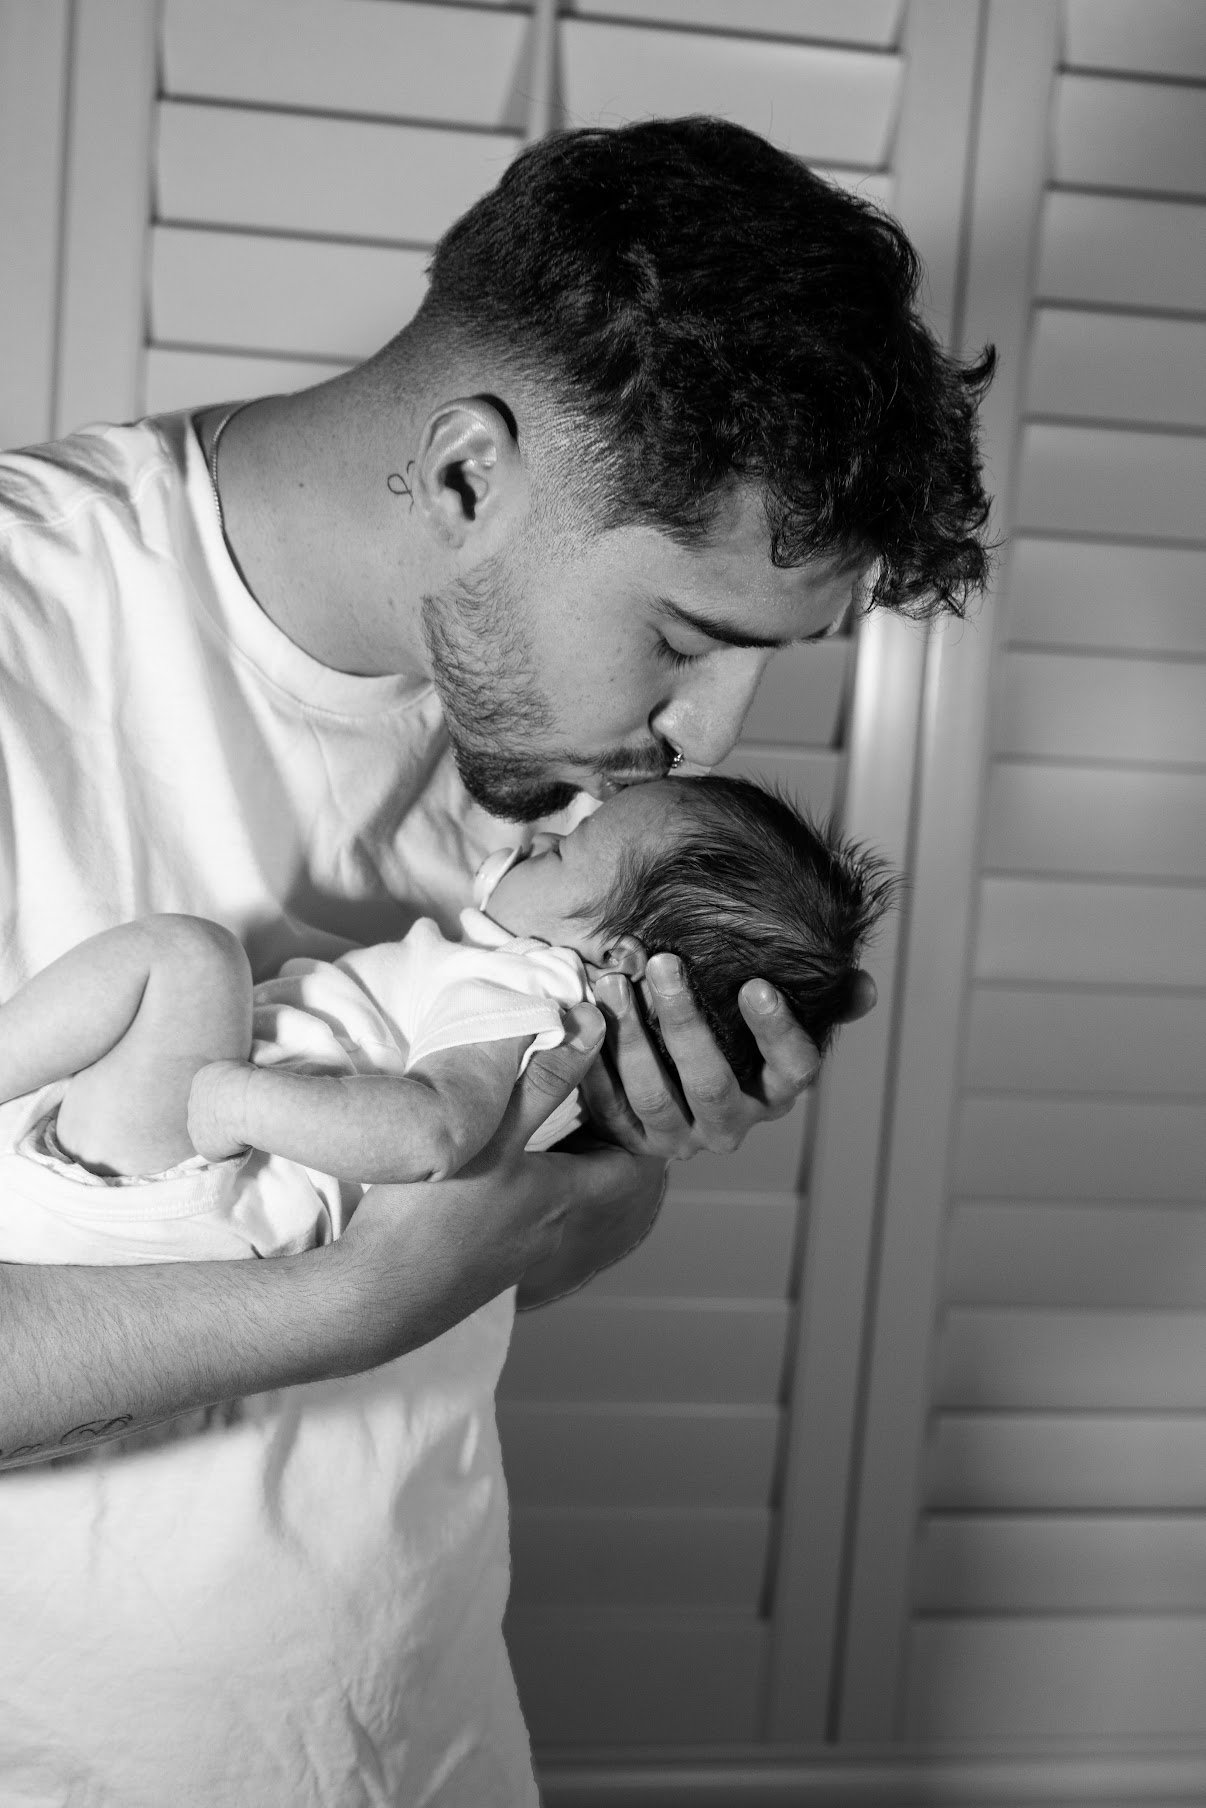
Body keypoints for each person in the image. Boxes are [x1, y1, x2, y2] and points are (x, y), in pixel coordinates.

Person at [0, 118, 992, 1806]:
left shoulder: (563, 791)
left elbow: (518, 1249)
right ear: (469, 474)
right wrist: (339, 1303)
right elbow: (394, 1276)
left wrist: (617, 1151)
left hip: (422, 1721)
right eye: (686, 640)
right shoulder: (33, 631)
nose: (702, 739)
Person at [0, 776, 896, 1265]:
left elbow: (432, 1129)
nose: (542, 838)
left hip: (186, 1182)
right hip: (167, 1204)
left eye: (572, 852)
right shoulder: (552, 1048)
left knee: (190, 958)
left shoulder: (523, 987)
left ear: (616, 959)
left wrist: (234, 1102)